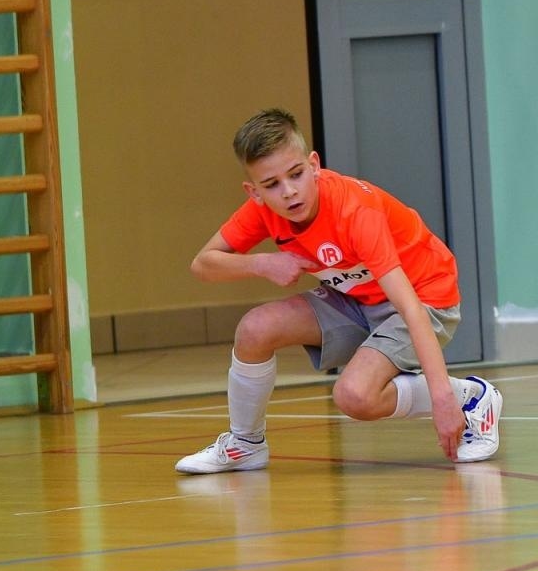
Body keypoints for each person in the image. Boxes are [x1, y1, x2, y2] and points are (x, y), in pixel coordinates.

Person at [174, 108, 501, 473]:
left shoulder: (355, 211)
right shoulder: (264, 211)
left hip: (424, 298)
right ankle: (245, 444)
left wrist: (442, 398)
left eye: (296, 174)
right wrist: (262, 264)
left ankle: (471, 398)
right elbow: (202, 264)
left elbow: (409, 306)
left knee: (354, 396)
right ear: (255, 192)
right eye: (272, 184)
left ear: (314, 165)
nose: (289, 191)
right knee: (255, 329)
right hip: (356, 298)